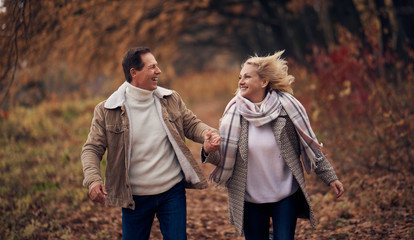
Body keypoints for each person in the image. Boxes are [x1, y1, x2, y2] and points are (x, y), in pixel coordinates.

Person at [202, 51, 344, 240]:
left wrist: (330, 177)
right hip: (250, 198)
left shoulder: (288, 110)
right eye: (240, 77)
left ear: (264, 81)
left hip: (285, 195)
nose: (241, 81)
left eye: (247, 76)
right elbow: (224, 157)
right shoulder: (233, 115)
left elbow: (310, 146)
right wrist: (208, 150)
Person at [81, 46, 218, 240]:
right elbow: (92, 149)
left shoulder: (170, 99)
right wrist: (93, 179)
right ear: (134, 73)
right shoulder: (107, 110)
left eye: (157, 66)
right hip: (134, 198)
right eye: (152, 67)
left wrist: (207, 134)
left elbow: (192, 124)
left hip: (172, 192)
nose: (158, 71)